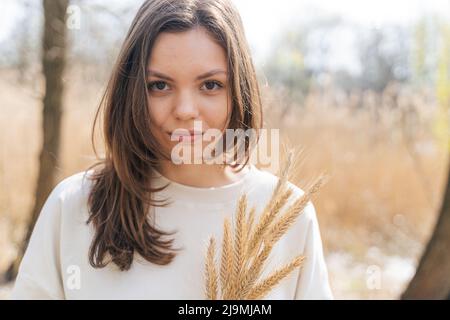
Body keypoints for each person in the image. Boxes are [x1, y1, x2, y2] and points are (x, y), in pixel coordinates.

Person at [11, 0, 333, 299]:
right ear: (133, 93)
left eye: (210, 85)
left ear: (238, 91)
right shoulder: (75, 207)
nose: (185, 110)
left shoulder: (288, 216)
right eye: (160, 86)